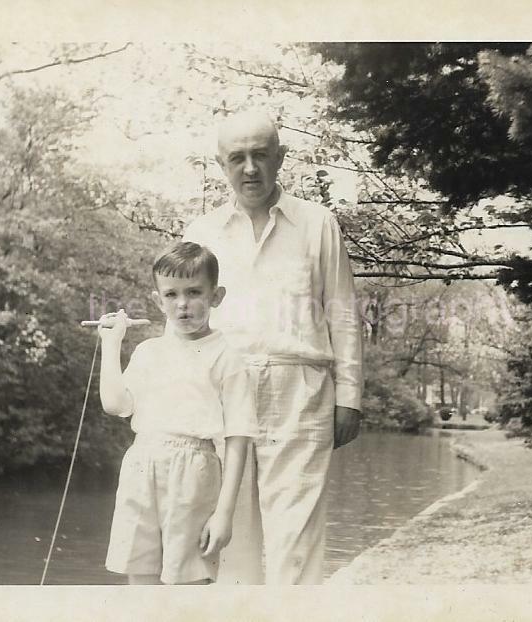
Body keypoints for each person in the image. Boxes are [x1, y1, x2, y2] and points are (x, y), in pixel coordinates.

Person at [183, 109, 364, 584]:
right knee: (229, 543)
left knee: (296, 542)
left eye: (260, 155)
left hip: (300, 392)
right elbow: (186, 322)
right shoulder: (201, 233)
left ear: (280, 158)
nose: (250, 169)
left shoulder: (317, 223)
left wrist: (350, 398)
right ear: (220, 164)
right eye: (237, 158)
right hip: (225, 392)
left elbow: (343, 313)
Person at [97, 241, 259, 585]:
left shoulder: (227, 358)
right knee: (139, 576)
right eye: (171, 295)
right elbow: (115, 405)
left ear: (216, 296)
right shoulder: (147, 352)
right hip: (141, 466)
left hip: (194, 473)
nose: (183, 304)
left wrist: (224, 514)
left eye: (195, 292)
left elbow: (239, 438)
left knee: (188, 582)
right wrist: (111, 345)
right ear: (158, 301)